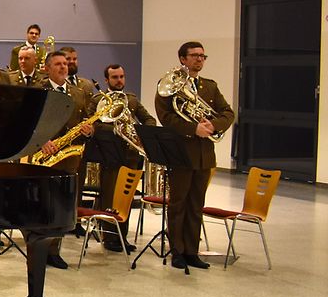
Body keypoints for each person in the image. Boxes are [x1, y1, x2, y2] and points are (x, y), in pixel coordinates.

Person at [154, 42, 235, 271]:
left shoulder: (209, 86)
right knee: (178, 204)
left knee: (196, 204)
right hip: (181, 154)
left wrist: (214, 125)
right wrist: (193, 129)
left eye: (202, 56)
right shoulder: (168, 85)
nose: (199, 59)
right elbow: (166, 117)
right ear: (183, 59)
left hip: (204, 156)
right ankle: (177, 251)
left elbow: (228, 112)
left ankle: (192, 251)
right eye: (194, 55)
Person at [37, 50, 94, 269]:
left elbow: (85, 120)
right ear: (47, 68)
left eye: (65, 64)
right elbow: (29, 122)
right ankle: (39, 249)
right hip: (44, 157)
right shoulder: (38, 90)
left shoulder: (77, 93)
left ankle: (54, 251)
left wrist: (88, 130)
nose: (63, 67)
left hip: (69, 157)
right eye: (58, 64)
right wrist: (42, 140)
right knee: (44, 204)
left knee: (62, 204)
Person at [92, 63, 156, 252]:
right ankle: (109, 237)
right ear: (106, 80)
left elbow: (149, 119)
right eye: (115, 77)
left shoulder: (132, 99)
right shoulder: (98, 99)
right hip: (110, 156)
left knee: (125, 198)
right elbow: (92, 123)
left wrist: (140, 133)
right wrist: (116, 130)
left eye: (121, 76)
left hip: (130, 156)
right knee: (109, 198)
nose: (119, 80)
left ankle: (122, 237)